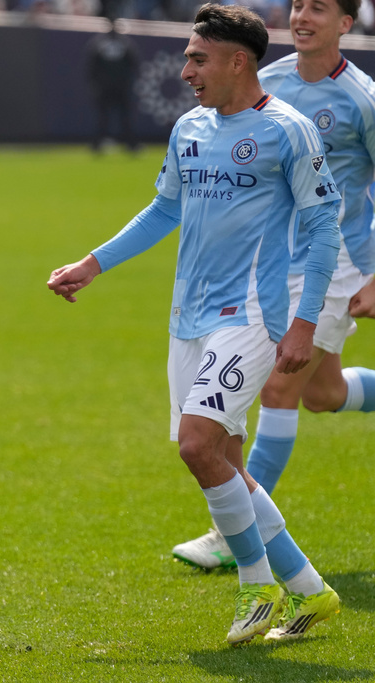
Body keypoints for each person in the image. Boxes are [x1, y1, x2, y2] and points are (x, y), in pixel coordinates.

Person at [48, 4, 342, 644]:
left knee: (196, 444)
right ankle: (312, 594)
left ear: (239, 61)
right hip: (190, 315)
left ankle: (256, 586)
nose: (185, 70)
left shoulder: (288, 131)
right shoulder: (189, 128)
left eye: (197, 58)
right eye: (185, 57)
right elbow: (163, 210)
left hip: (256, 314)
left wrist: (304, 323)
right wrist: (93, 263)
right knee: (227, 461)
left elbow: (323, 229)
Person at [172, 0, 375, 574]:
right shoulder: (270, 80)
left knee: (281, 391)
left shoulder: (363, 98)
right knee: (323, 394)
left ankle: (231, 533)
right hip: (274, 260)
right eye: (296, 4)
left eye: (319, 7)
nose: (302, 15)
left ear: (346, 23)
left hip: (338, 260)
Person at [85, 17, 140, 152]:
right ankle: (128, 145)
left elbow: (91, 67)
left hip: (111, 87)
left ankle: (101, 145)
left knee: (111, 117)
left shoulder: (100, 43)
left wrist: (94, 82)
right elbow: (134, 64)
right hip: (114, 87)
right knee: (113, 117)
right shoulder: (123, 43)